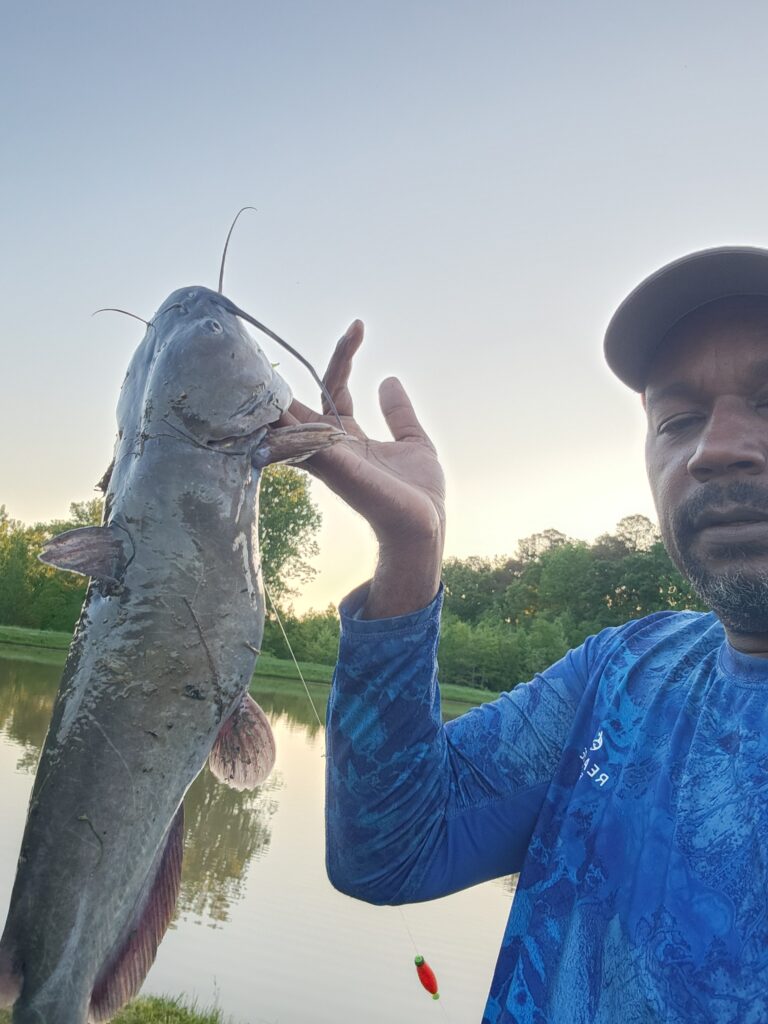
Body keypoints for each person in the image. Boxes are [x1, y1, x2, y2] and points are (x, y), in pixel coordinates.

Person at [284, 246, 768, 1023]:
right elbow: (389, 851)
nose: (715, 449)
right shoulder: (624, 671)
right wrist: (410, 554)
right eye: (678, 419)